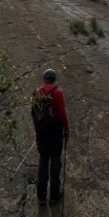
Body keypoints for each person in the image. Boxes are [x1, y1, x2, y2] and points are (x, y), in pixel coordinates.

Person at [32, 68, 69, 206]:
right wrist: (67, 129)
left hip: (41, 133)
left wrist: (38, 131)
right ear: (54, 79)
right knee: (55, 162)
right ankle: (54, 195)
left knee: (43, 161)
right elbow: (62, 114)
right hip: (55, 133)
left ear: (44, 78)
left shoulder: (36, 92)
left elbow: (34, 114)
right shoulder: (57, 93)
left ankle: (41, 196)